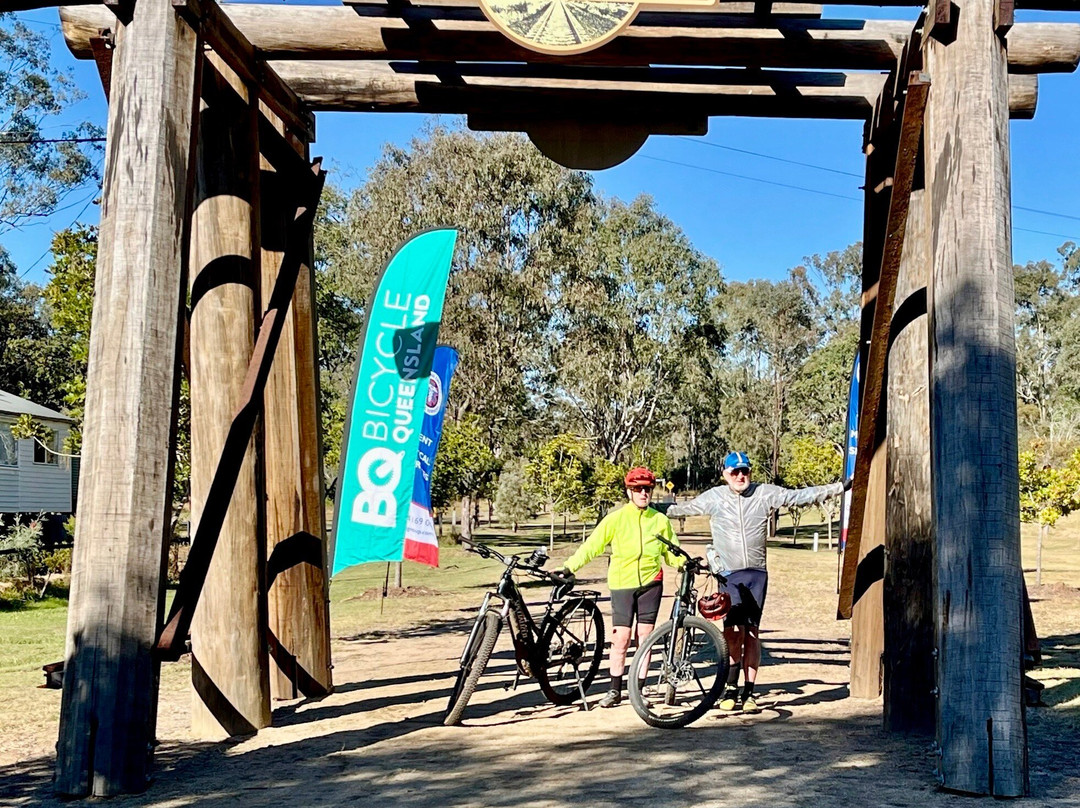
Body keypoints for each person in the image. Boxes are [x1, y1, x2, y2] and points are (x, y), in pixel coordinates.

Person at [666, 451, 846, 713]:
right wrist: (650, 506)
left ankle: (749, 693)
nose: (740, 476)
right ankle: (730, 688)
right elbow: (681, 509)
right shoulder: (715, 497)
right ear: (725, 474)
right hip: (729, 574)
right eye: (735, 472)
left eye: (745, 471)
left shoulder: (764, 493)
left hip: (756, 574)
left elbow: (798, 496)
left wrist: (838, 488)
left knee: (751, 633)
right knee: (732, 632)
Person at [561, 466, 683, 708]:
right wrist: (569, 567)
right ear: (629, 492)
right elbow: (592, 546)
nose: (643, 493)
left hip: (651, 583)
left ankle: (638, 690)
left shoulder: (659, 520)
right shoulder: (615, 519)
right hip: (622, 584)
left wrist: (685, 563)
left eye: (647, 489)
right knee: (621, 638)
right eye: (638, 489)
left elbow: (671, 552)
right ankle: (614, 690)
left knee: (645, 637)